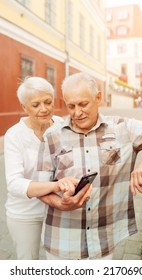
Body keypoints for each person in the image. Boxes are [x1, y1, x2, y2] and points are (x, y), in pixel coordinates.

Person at [36, 72, 142, 260]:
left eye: (83, 104)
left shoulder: (122, 127)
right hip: (62, 243)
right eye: (71, 106)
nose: (77, 112)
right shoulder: (52, 136)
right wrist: (60, 203)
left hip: (103, 243)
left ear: (98, 98)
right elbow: (39, 187)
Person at [4, 76, 91, 260]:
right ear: (24, 107)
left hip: (58, 208)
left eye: (48, 102)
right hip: (26, 213)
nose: (43, 109)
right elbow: (14, 184)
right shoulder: (14, 135)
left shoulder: (63, 126)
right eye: (35, 105)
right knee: (28, 264)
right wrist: (55, 185)